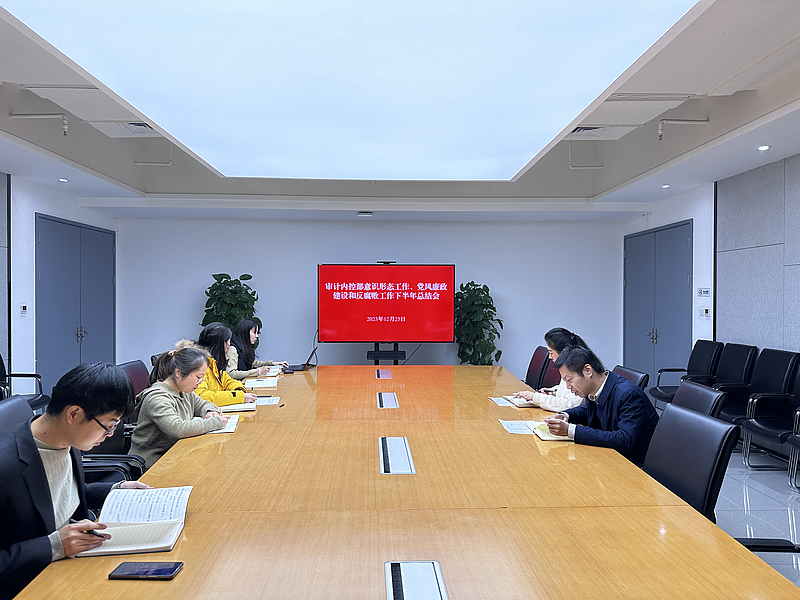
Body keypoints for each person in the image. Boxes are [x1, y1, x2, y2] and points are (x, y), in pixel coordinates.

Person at [0, 363, 152, 600]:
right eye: (108, 426)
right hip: (33, 584)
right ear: (74, 414)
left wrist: (116, 490)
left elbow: (58, 494)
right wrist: (53, 545)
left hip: (73, 566)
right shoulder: (6, 464)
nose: (110, 434)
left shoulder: (68, 439)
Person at [544, 345, 658, 466]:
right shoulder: (595, 389)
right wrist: (566, 415)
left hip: (633, 465)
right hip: (608, 457)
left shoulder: (628, 394)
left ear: (588, 371)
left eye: (569, 380)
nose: (568, 387)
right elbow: (587, 410)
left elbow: (624, 439)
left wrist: (571, 430)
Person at [130, 347, 229, 469]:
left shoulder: (184, 391)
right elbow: (178, 429)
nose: (200, 382)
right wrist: (215, 423)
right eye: (198, 377)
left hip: (175, 455)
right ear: (178, 372)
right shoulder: (157, 398)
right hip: (151, 464)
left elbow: (202, 404)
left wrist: (210, 411)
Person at [512, 327, 587, 412]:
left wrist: (535, 397)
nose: (549, 357)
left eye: (551, 353)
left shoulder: (580, 370)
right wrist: (553, 391)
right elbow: (566, 390)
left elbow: (569, 405)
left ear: (563, 352)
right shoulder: (568, 366)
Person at [194, 322, 257, 406]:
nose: (229, 346)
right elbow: (202, 396)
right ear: (219, 345)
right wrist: (238, 397)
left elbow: (229, 381)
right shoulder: (199, 367)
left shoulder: (215, 364)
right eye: (227, 342)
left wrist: (238, 390)